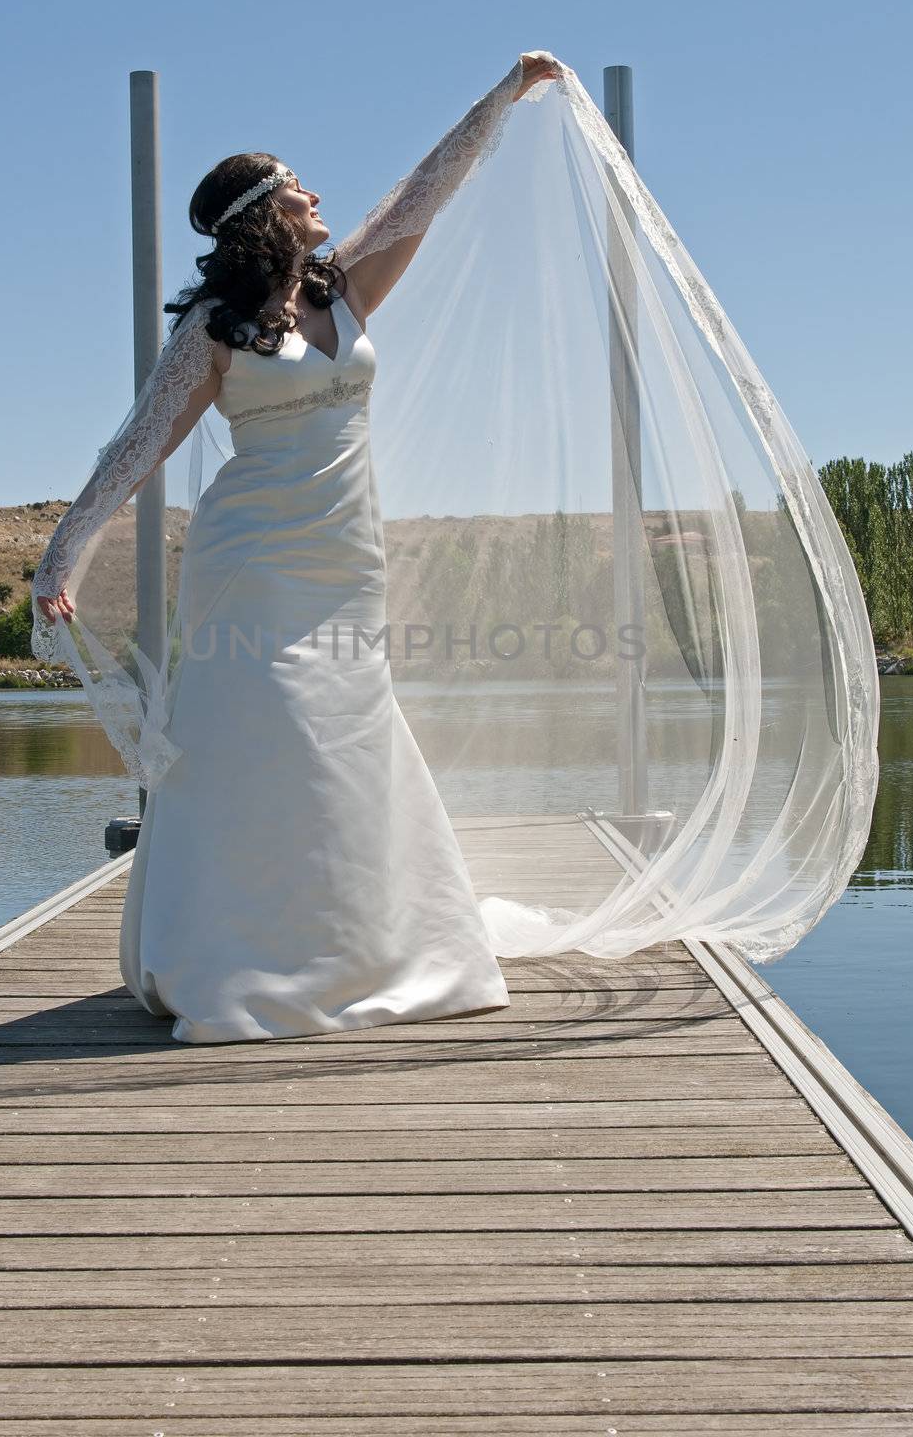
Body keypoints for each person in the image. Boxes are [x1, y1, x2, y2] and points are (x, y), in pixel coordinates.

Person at [33, 51, 562, 1043]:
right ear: (267, 214)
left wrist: (499, 99)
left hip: (345, 559)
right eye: (298, 185)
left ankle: (360, 941)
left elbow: (421, 196)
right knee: (261, 740)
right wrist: (63, 553)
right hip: (250, 562)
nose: (320, 194)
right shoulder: (213, 329)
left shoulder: (347, 288)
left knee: (346, 740)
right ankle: (233, 955)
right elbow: (140, 442)